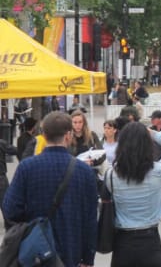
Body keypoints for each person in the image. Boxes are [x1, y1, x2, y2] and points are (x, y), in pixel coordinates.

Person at [3, 111, 98, 267]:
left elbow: (10, 209)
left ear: (44, 135)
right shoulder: (84, 171)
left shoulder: (26, 167)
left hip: (35, 251)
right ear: (68, 135)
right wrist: (88, 257)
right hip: (71, 250)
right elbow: (90, 219)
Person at [108, 122, 161, 267]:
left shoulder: (111, 175)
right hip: (150, 239)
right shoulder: (158, 171)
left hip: (123, 241)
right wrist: (153, 133)